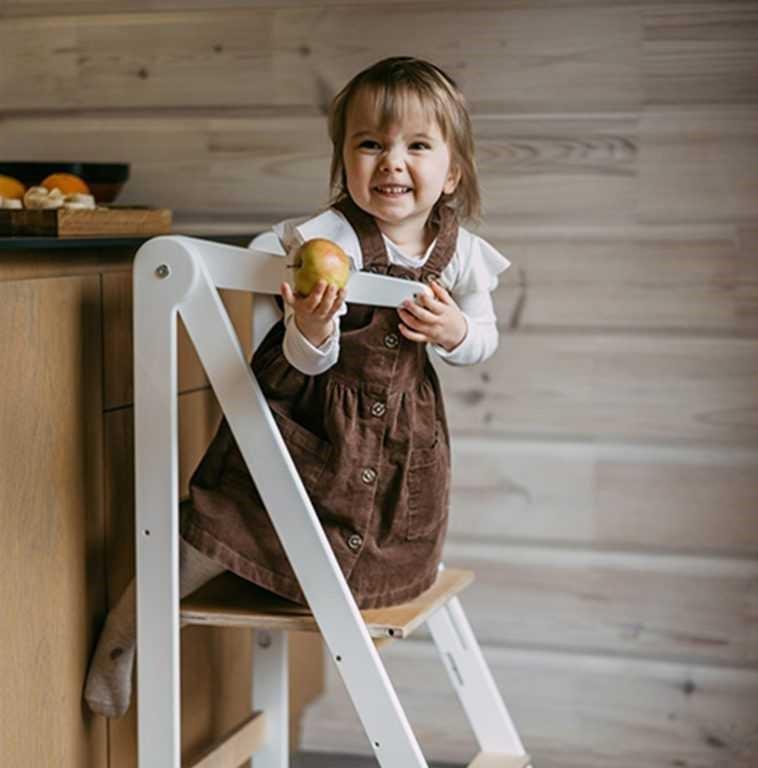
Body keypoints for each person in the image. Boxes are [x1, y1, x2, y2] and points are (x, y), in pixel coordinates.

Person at [84, 55, 509, 719]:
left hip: (397, 444)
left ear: (452, 170)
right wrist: (311, 326)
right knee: (218, 527)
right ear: (345, 161)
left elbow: (484, 339)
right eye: (370, 144)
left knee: (380, 543)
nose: (392, 162)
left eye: (417, 146)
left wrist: (455, 330)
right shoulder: (326, 237)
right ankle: (127, 631)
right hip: (307, 428)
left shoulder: (463, 255)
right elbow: (307, 365)